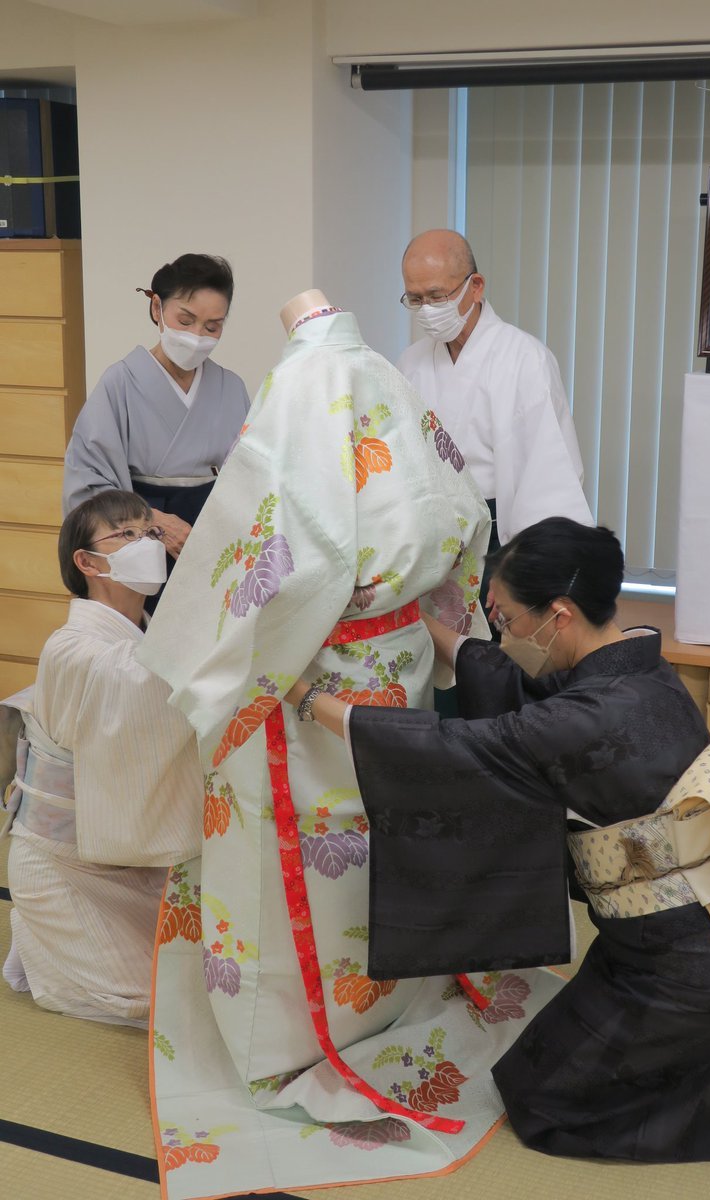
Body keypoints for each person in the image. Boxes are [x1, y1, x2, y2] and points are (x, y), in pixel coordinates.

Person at [135, 291, 564, 1196]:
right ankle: (395, 998)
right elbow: (464, 522)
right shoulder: (395, 386)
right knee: (382, 831)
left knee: (293, 839)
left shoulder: (301, 387)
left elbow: (284, 551)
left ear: (297, 330)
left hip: (313, 675)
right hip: (399, 657)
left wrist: (229, 660)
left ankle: (292, 1031)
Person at [288, 517, 710, 1163]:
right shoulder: (637, 667)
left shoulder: (587, 715)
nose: (502, 634)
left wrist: (302, 696)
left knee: (548, 1110)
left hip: (692, 970)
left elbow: (447, 747)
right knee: (529, 1070)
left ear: (558, 614)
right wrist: (411, 619)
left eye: (506, 618)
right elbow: (510, 679)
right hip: (698, 942)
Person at [0, 490, 204, 1026]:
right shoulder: (70, 646)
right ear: (87, 562)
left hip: (129, 856)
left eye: (151, 532)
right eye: (127, 535)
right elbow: (158, 682)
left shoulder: (145, 632)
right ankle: (40, 932)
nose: (146, 544)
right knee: (158, 1004)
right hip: (66, 867)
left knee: (218, 976)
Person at [397, 229, 594, 559]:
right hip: (429, 533)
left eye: (437, 296)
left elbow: (551, 467)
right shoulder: (410, 362)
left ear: (475, 287)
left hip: (499, 532)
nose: (427, 310)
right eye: (415, 299)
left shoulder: (524, 358)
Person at [62, 252, 250, 575]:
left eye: (212, 327)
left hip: (209, 549)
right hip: (136, 545)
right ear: (157, 308)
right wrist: (153, 522)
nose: (196, 337)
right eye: (186, 321)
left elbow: (250, 481)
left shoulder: (231, 388)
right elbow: (87, 487)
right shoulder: (120, 383)